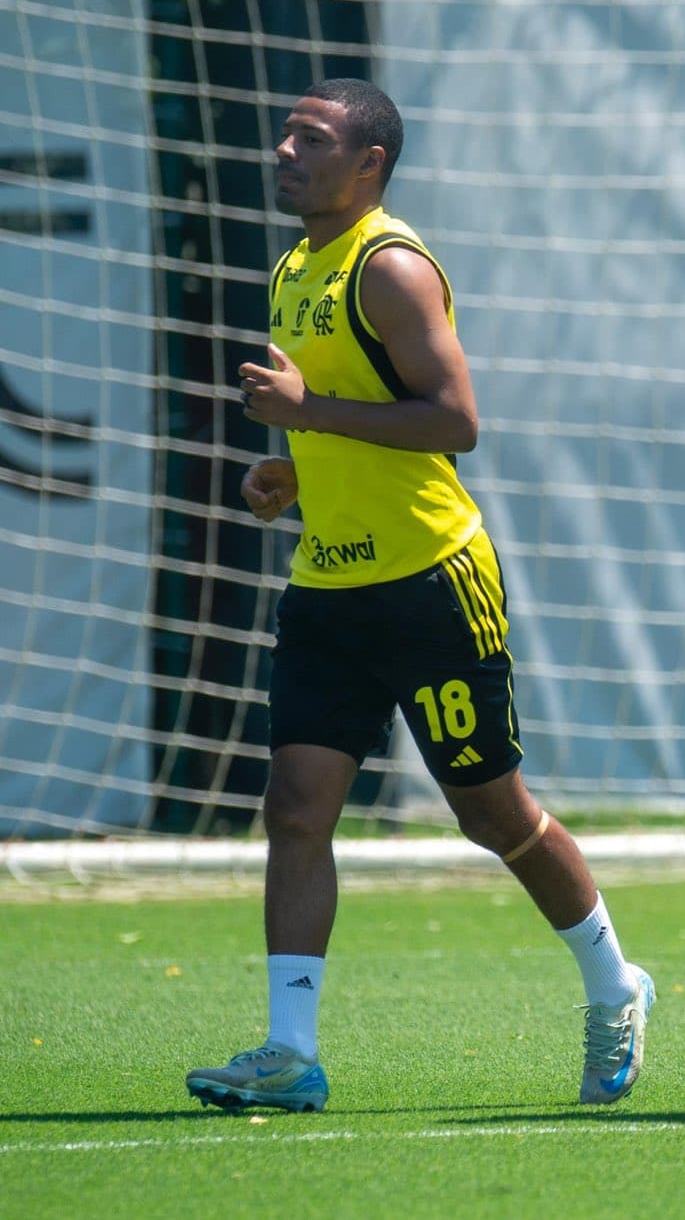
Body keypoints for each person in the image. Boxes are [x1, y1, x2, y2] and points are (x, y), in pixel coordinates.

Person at [185, 79, 654, 1113]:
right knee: (295, 807)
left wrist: (309, 412)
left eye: (311, 138)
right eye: (287, 133)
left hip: (429, 583)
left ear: (370, 165)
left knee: (494, 815)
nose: (284, 149)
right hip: (328, 585)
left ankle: (614, 981)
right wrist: (294, 471)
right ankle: (290, 1051)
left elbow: (453, 422)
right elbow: (348, 415)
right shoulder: (296, 266)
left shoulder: (390, 268)